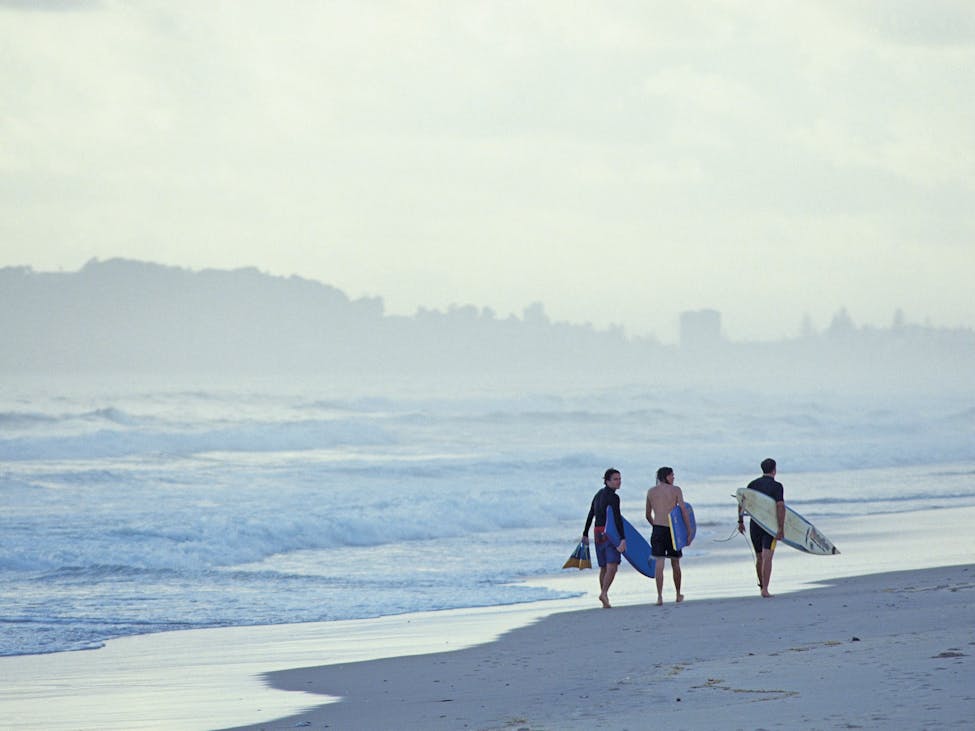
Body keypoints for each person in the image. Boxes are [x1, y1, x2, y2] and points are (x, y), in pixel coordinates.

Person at [738, 458, 785, 598]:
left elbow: (741, 502)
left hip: (755, 524)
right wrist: (781, 528)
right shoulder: (777, 486)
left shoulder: (752, 484)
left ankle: (761, 588)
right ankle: (765, 589)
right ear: (774, 470)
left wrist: (740, 521)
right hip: (770, 526)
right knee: (767, 557)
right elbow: (780, 506)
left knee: (759, 556)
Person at [645, 466, 691, 605]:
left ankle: (659, 596)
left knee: (659, 563)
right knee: (675, 562)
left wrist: (656, 526)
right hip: (673, 530)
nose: (673, 478)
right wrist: (688, 530)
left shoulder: (651, 491)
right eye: (671, 475)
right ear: (665, 476)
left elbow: (647, 515)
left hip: (658, 529)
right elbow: (683, 510)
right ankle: (678, 594)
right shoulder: (676, 490)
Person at [582, 468, 627, 608]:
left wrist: (585, 533)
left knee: (603, 567)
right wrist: (623, 539)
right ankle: (604, 593)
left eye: (619, 479)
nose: (619, 482)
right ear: (607, 481)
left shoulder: (598, 494)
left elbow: (591, 514)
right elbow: (617, 519)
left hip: (597, 532)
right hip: (609, 533)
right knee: (612, 566)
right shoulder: (614, 497)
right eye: (615, 479)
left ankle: (605, 597)